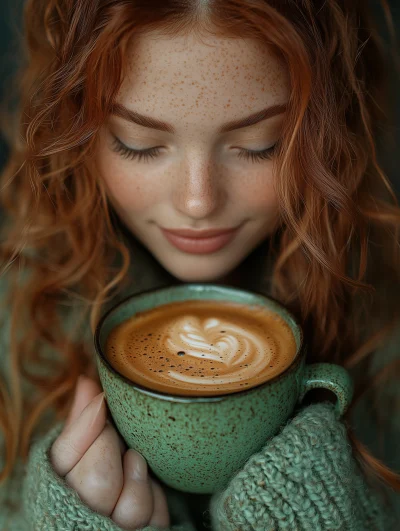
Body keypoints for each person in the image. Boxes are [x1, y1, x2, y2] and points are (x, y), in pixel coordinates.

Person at [0, 0, 399, 529]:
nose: (198, 202)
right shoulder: (13, 318)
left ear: (328, 132)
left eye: (261, 145)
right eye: (138, 144)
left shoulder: (386, 336)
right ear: (77, 132)